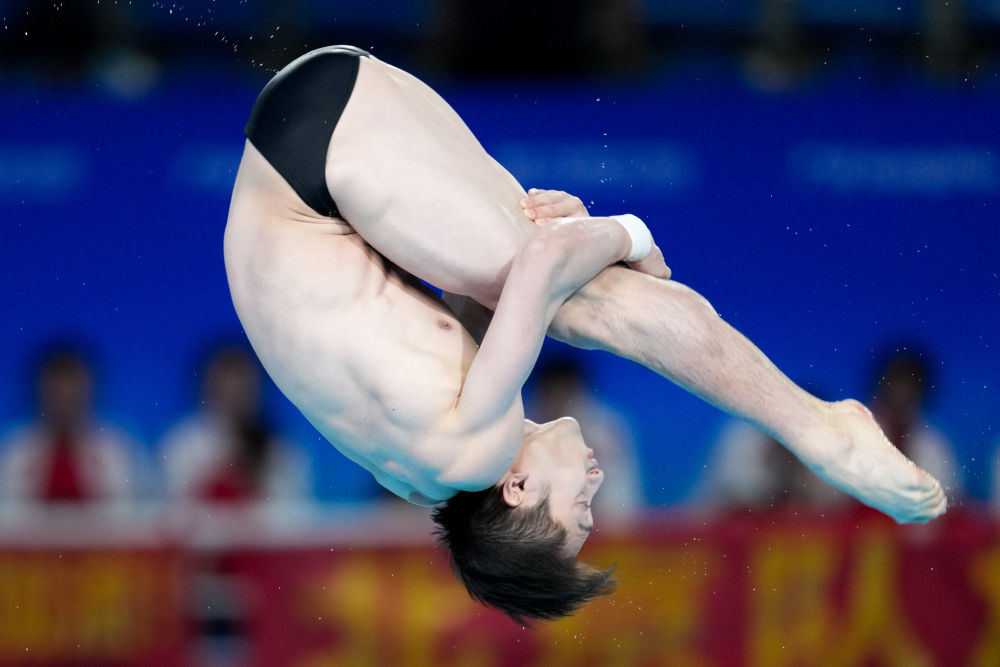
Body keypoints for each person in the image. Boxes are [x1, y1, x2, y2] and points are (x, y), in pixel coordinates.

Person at [224, 45, 946, 623]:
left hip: (319, 153)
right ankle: (812, 423)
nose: (595, 484)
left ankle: (820, 431)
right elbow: (473, 296)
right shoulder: (421, 474)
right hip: (312, 131)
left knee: (586, 303)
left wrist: (630, 236)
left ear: (518, 488)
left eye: (579, 507)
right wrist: (562, 246)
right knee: (557, 283)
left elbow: (541, 265)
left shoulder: (472, 452)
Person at [159, 344, 311, 508]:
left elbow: (289, 512)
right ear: (206, 389)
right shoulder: (181, 445)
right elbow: (174, 508)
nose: (234, 399)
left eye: (243, 390)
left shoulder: (282, 451)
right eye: (225, 389)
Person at [0, 346, 138, 510]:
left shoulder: (116, 447)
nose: (64, 397)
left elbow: (127, 514)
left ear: (89, 390)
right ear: (40, 392)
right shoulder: (15, 450)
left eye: (72, 388)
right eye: (57, 389)